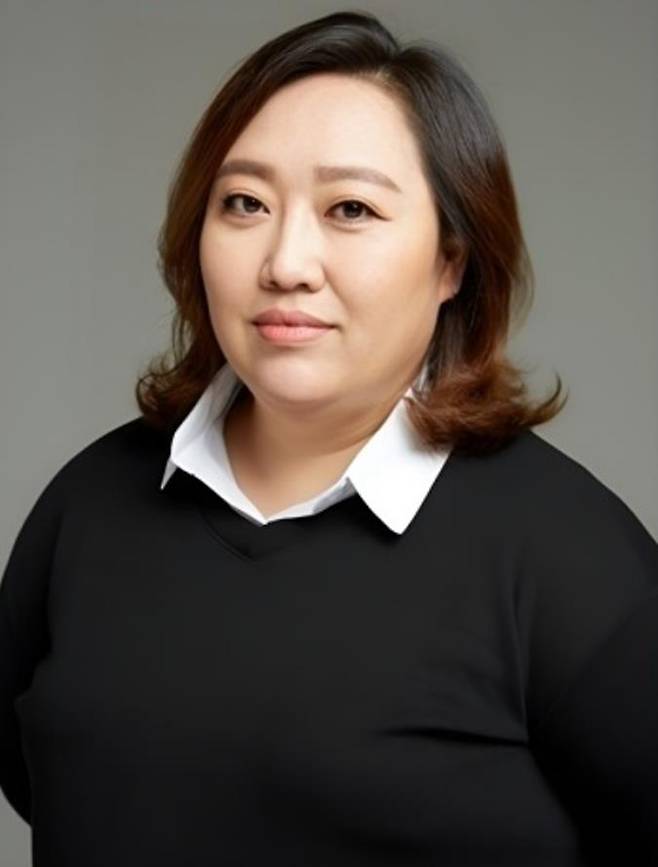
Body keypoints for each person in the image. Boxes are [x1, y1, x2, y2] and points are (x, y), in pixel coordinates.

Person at [1, 9, 656, 867]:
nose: (286, 263)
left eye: (351, 208)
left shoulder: (573, 559)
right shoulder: (89, 504)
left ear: (453, 259)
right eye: (245, 203)